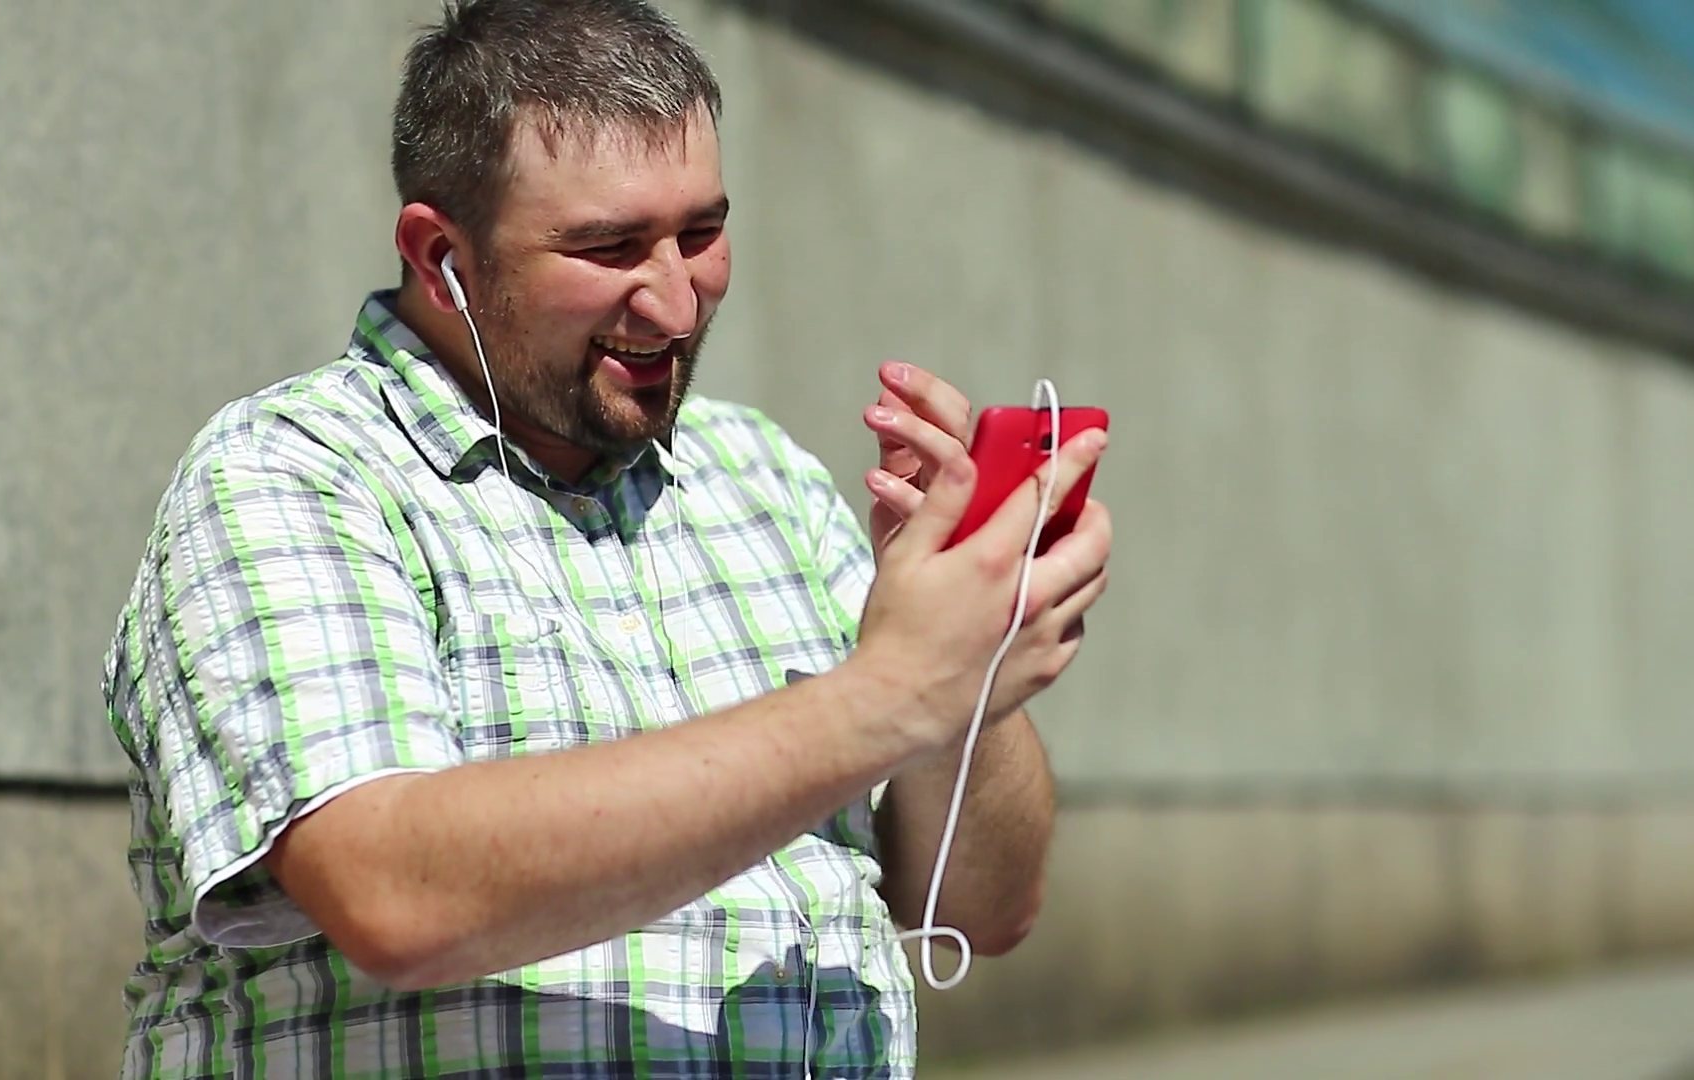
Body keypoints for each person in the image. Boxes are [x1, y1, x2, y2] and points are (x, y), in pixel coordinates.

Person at [101, 1, 1113, 1077]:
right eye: (609, 246)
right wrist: (884, 699)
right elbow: (393, 896)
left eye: (703, 231)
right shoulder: (289, 475)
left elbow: (983, 912)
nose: (677, 303)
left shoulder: (763, 477)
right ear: (442, 255)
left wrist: (970, 683)